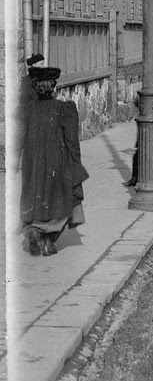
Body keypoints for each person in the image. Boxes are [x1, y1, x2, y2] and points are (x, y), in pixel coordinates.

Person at [21, 66, 87, 256]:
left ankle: (33, 231)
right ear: (53, 87)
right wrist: (76, 164)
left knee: (34, 197)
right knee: (62, 201)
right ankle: (47, 241)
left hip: (32, 162)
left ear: (35, 88)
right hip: (57, 161)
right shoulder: (64, 109)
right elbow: (72, 141)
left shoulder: (27, 110)